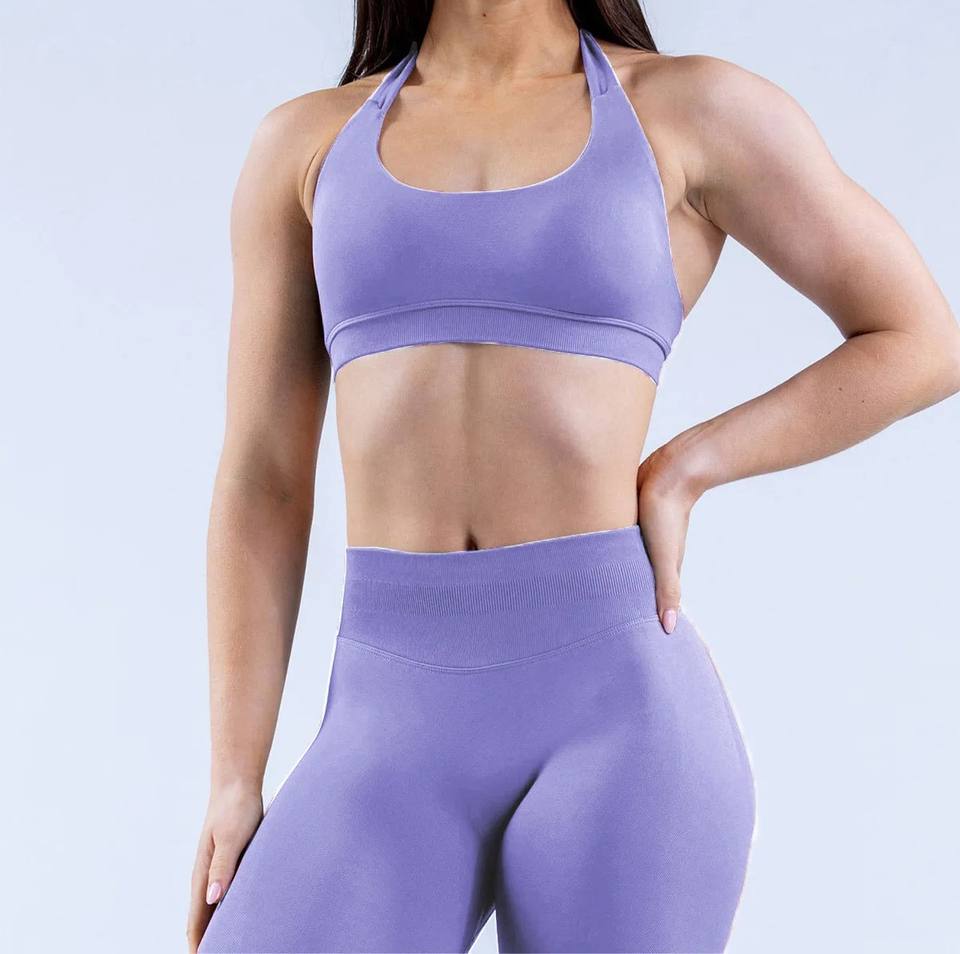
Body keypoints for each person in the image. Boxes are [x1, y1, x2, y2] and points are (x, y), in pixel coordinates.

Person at [188, 1, 960, 951]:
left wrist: (687, 467)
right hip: (385, 719)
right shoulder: (306, 144)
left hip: (618, 715)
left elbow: (921, 339)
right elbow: (263, 476)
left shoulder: (688, 110)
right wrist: (235, 775)